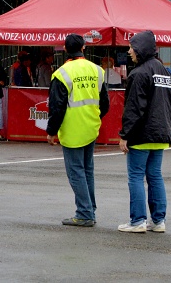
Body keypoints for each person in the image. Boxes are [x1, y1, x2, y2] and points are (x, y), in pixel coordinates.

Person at [46, 34, 109, 227]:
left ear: (65, 49)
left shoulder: (62, 73)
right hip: (91, 127)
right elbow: (105, 104)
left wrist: (51, 131)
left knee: (76, 172)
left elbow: (57, 107)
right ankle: (90, 210)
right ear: (83, 48)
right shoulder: (97, 70)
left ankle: (84, 213)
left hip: (72, 129)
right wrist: (94, 117)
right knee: (87, 170)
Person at [117, 30, 171, 234]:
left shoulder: (139, 73)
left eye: (131, 47)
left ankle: (138, 221)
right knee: (155, 176)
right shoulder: (164, 71)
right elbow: (169, 102)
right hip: (161, 132)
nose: (129, 51)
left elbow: (134, 108)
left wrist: (125, 135)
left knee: (135, 176)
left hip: (142, 134)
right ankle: (158, 221)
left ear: (140, 49)